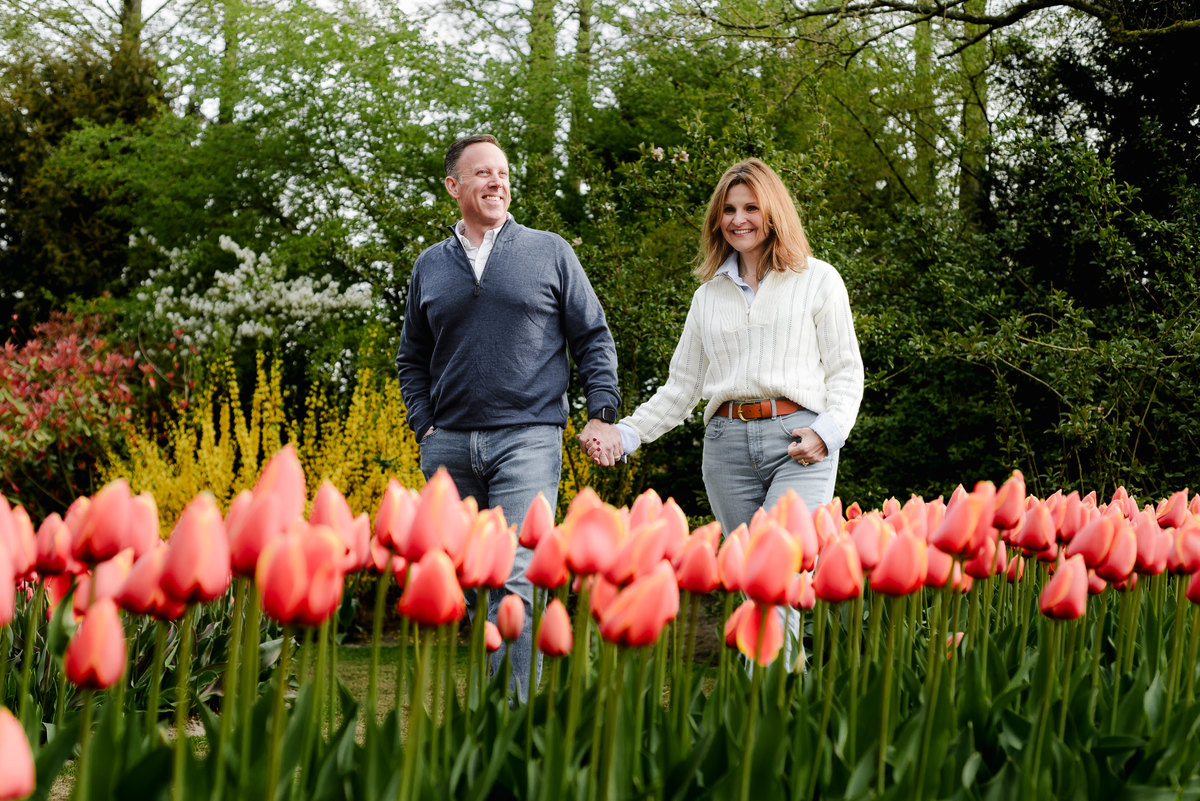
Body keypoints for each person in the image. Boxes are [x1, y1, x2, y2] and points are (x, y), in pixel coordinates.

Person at [588, 158, 863, 668]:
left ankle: (776, 707)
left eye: (751, 207)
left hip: (799, 445)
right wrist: (623, 435)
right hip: (726, 449)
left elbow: (847, 373)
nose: (739, 219)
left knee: (781, 580)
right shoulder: (707, 296)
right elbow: (681, 389)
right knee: (754, 591)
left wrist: (826, 434)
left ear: (774, 212)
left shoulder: (818, 280)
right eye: (728, 210)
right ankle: (767, 716)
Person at [396, 134, 623, 699]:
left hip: (527, 438)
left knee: (516, 577)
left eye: (502, 172)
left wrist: (602, 411)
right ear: (454, 187)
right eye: (481, 174)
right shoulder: (429, 266)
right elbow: (411, 359)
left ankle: (510, 726)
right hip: (448, 445)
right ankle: (484, 720)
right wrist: (425, 427)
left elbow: (592, 335)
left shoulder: (549, 251)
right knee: (473, 582)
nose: (497, 182)